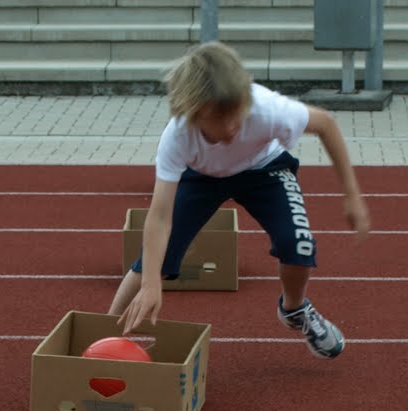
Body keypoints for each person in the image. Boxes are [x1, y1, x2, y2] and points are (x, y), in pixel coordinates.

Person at [110, 42, 370, 356]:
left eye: (238, 115)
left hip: (264, 168)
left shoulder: (266, 108)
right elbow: (159, 217)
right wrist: (152, 282)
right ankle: (104, 335)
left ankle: (294, 308)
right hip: (201, 176)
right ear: (194, 113)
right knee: (151, 264)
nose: (233, 127)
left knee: (298, 244)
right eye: (221, 119)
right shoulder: (178, 136)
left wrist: (352, 194)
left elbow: (326, 124)